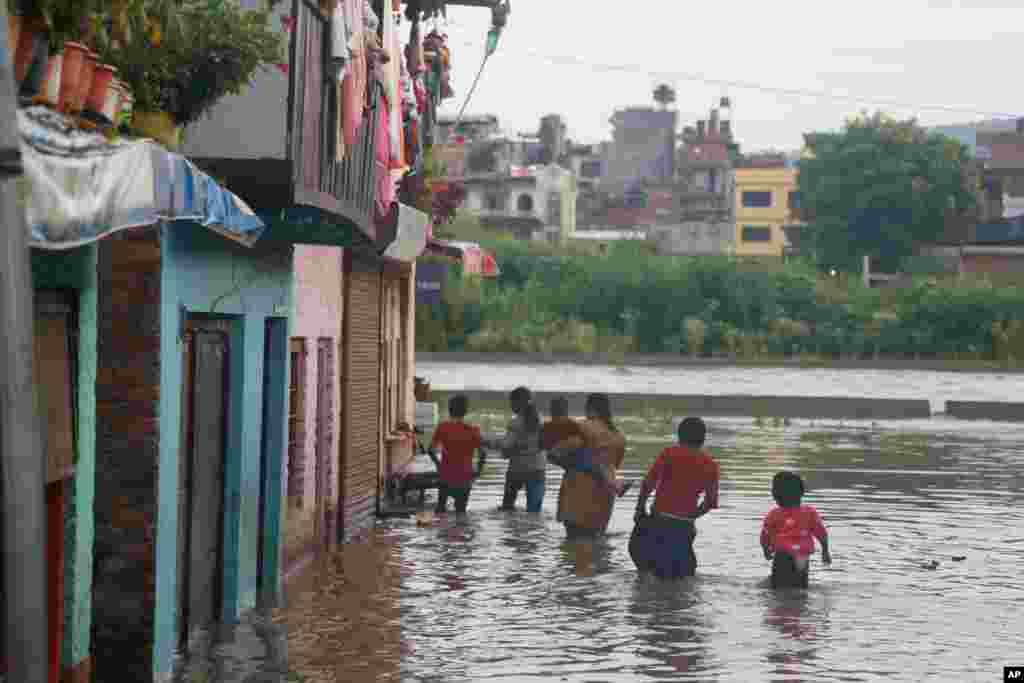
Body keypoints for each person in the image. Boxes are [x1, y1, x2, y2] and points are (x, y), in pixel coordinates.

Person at [630, 417, 720, 579]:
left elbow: (648, 484)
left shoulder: (668, 454)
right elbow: (710, 502)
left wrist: (640, 508)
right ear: (703, 438)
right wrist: (691, 516)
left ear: (679, 436)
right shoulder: (710, 464)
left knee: (649, 569)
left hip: (659, 522)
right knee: (681, 577)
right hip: (684, 528)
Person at [550, 393, 627, 538]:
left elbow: (554, 453)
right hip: (605, 495)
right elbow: (614, 466)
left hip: (578, 492)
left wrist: (570, 465)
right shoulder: (619, 436)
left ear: (589, 408)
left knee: (574, 543)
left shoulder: (581, 427)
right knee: (595, 542)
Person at [546, 397, 632, 498]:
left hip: (578, 481)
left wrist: (555, 451)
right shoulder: (620, 436)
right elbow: (616, 465)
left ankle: (615, 484)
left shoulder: (585, 425)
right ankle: (616, 484)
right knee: (603, 464)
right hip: (607, 490)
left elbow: (567, 444)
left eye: (586, 409)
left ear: (591, 410)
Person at [760, 471, 831, 588]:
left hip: (783, 555)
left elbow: (765, 535)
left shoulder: (774, 514)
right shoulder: (810, 512)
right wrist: (825, 551)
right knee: (801, 587)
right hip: (802, 556)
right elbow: (821, 533)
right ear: (801, 493)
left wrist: (766, 550)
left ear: (775, 495)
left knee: (778, 587)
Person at [430, 394, 486, 515]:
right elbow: (483, 453)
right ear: (465, 411)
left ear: (450, 410)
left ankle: (441, 532)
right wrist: (478, 470)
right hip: (465, 477)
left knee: (440, 510)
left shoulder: (442, 427)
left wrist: (438, 465)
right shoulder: (473, 430)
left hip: (446, 475)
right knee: (461, 512)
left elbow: (430, 450)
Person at [498, 387, 546, 513]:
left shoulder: (515, 423)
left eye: (511, 402)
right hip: (538, 469)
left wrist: (501, 449)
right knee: (534, 512)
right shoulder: (541, 421)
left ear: (517, 403)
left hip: (517, 469)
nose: (510, 405)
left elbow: (506, 446)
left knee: (507, 509)